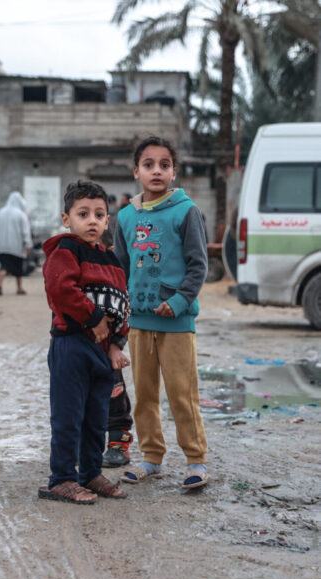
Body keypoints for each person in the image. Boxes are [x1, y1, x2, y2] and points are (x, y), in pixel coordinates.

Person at [114, 136, 209, 489]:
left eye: (164, 164)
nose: (157, 170)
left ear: (174, 172)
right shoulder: (124, 217)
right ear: (136, 171)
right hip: (139, 323)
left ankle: (196, 460)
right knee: (145, 396)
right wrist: (120, 312)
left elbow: (199, 266)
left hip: (177, 324)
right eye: (149, 164)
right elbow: (120, 269)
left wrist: (180, 302)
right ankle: (152, 459)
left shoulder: (187, 211)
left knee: (182, 394)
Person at [39, 180, 130, 504]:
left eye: (99, 214)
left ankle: (89, 473)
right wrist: (92, 316)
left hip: (103, 354)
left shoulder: (114, 262)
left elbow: (123, 304)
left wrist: (118, 342)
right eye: (83, 214)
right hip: (71, 345)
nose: (92, 221)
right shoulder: (65, 250)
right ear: (67, 219)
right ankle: (61, 478)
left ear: (108, 220)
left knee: (96, 417)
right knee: (69, 416)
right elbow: (60, 288)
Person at [100, 227, 133, 468]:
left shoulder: (117, 280)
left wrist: (116, 345)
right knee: (79, 399)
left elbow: (125, 315)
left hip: (109, 349)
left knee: (114, 394)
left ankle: (118, 443)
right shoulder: (73, 277)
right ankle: (84, 444)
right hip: (80, 347)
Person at [0, 191, 32, 296]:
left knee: (3, 266)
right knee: (18, 268)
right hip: (17, 247)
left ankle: (0, 285)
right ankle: (19, 288)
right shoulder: (21, 215)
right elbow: (25, 232)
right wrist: (28, 245)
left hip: (2, 247)